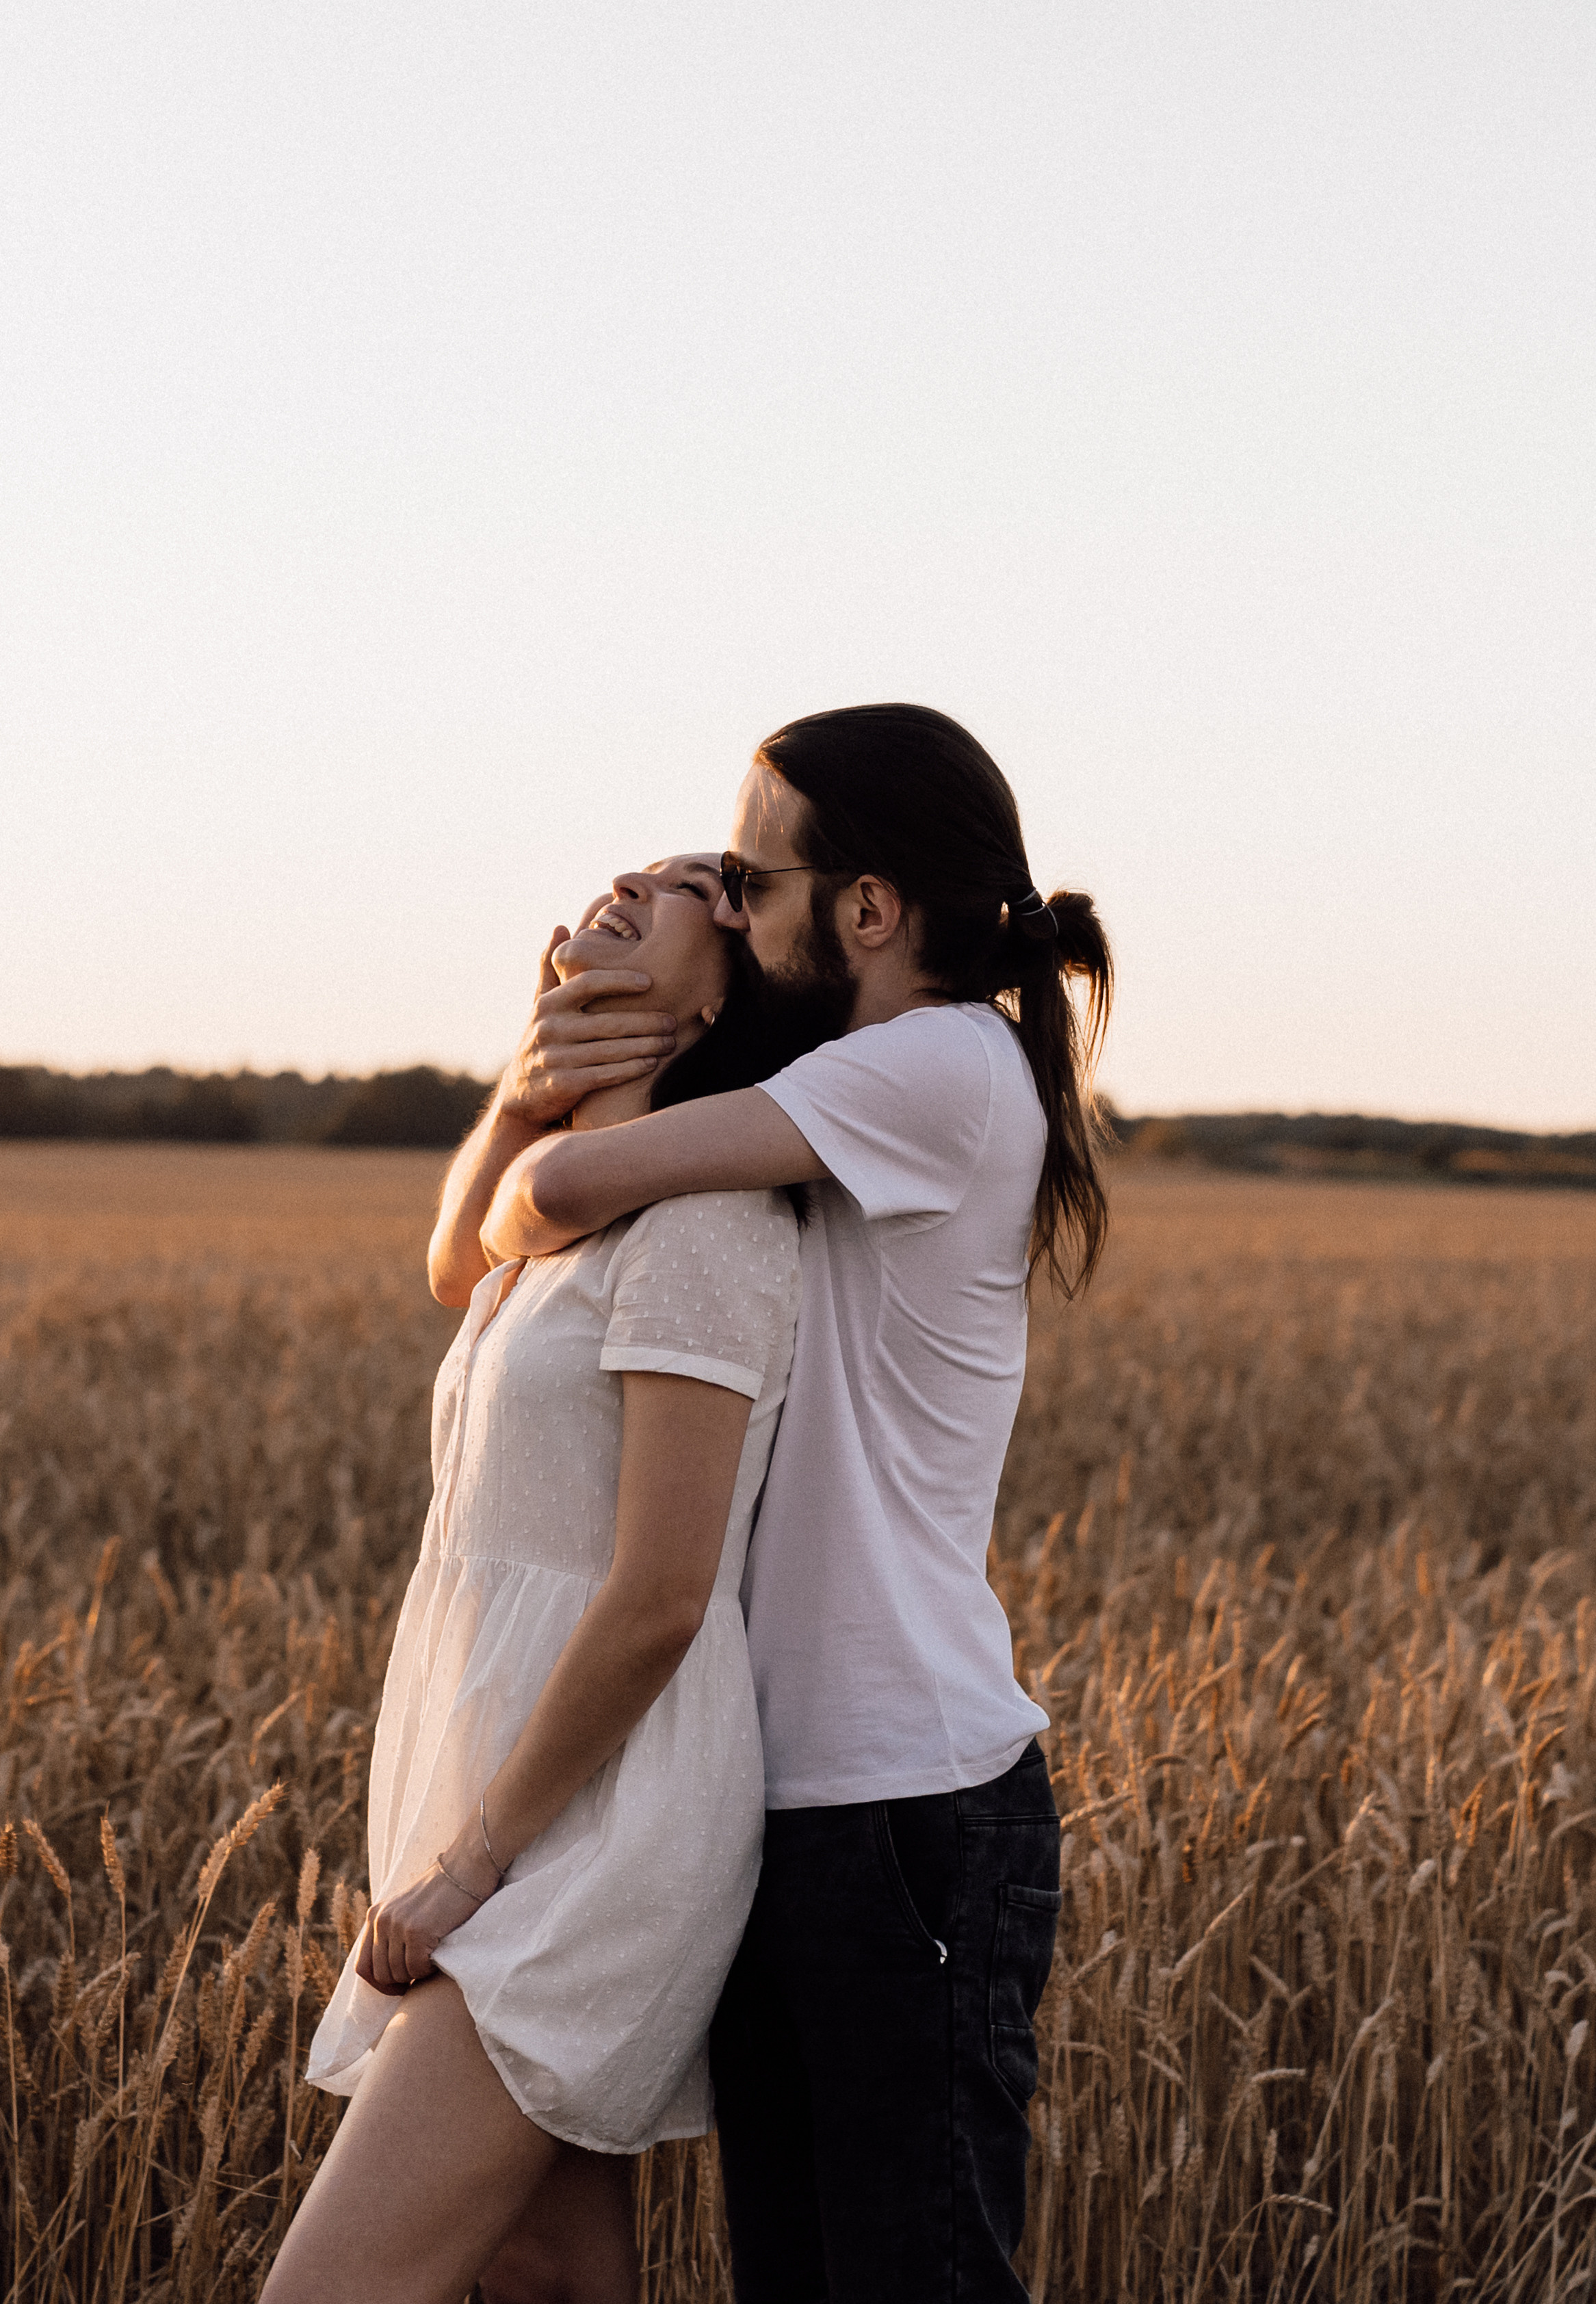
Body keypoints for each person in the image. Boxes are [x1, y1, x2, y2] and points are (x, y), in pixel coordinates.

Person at [475, 704, 1113, 2304]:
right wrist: (543, 1081)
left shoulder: (942, 1063)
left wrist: (540, 1093)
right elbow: (469, 1250)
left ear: (871, 909)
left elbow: (550, 1199)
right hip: (795, 1797)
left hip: (907, 1805)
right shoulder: (852, 1084)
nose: (739, 917)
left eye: (754, 884)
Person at [266, 855, 826, 2304]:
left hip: (592, 1831)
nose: (639, 873)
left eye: (700, 885)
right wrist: (522, 1092)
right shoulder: (562, 1219)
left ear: (727, 997)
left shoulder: (704, 1224)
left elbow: (658, 1595)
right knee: (539, 2280)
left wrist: (470, 1866)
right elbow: (458, 1255)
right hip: (511, 1789)